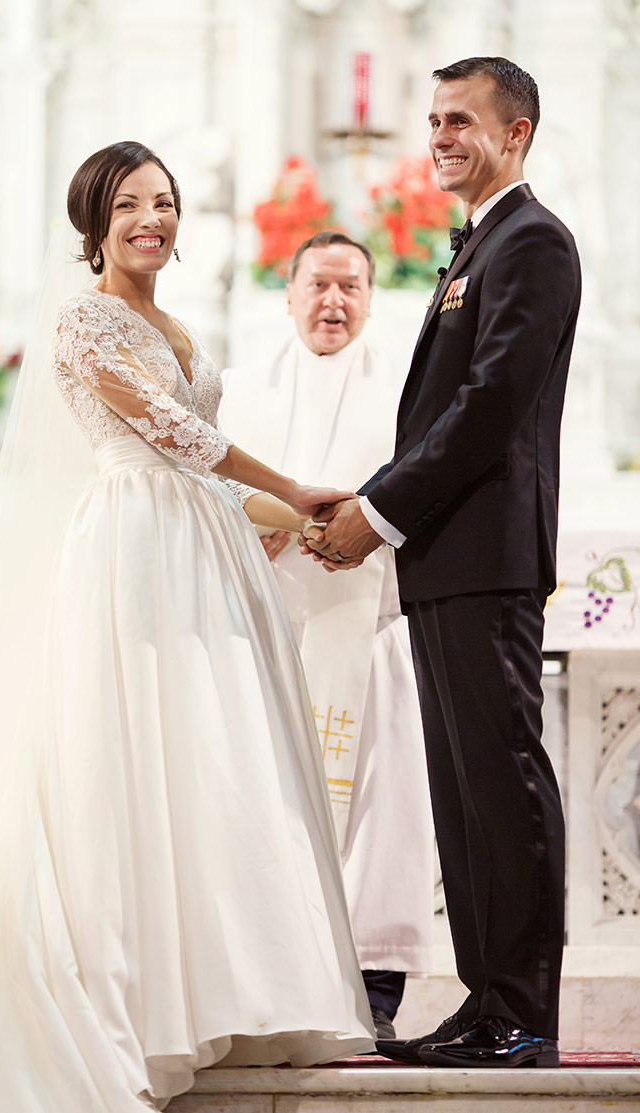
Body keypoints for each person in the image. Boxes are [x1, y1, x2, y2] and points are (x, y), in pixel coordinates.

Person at [0, 141, 375, 1113]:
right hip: (133, 545)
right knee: (133, 751)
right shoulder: (83, 319)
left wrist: (310, 526)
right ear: (93, 223)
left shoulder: (178, 326)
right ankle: (136, 1000)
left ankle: (226, 993)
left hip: (204, 544)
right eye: (126, 205)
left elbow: (208, 477)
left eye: (162, 202)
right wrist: (292, 486)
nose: (150, 219)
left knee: (210, 759)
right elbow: (173, 433)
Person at [303, 57, 581, 1068]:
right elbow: (444, 415)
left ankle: (524, 1014)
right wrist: (373, 500)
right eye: (433, 121)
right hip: (447, 554)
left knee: (502, 780)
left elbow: (489, 405)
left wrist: (378, 511)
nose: (440, 137)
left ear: (516, 132)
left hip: (486, 552)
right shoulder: (479, 244)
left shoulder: (532, 240)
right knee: (465, 795)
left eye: (461, 120)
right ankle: (485, 1000)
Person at [220, 230, 434, 1040]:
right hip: (266, 634)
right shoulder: (239, 391)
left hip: (371, 629)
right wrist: (250, 521)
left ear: (372, 300)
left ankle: (375, 984)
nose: (334, 301)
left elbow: (431, 487)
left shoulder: (410, 389)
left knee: (382, 806)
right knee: (264, 803)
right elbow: (203, 486)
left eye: (351, 286)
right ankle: (270, 979)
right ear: (289, 294)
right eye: (319, 284)